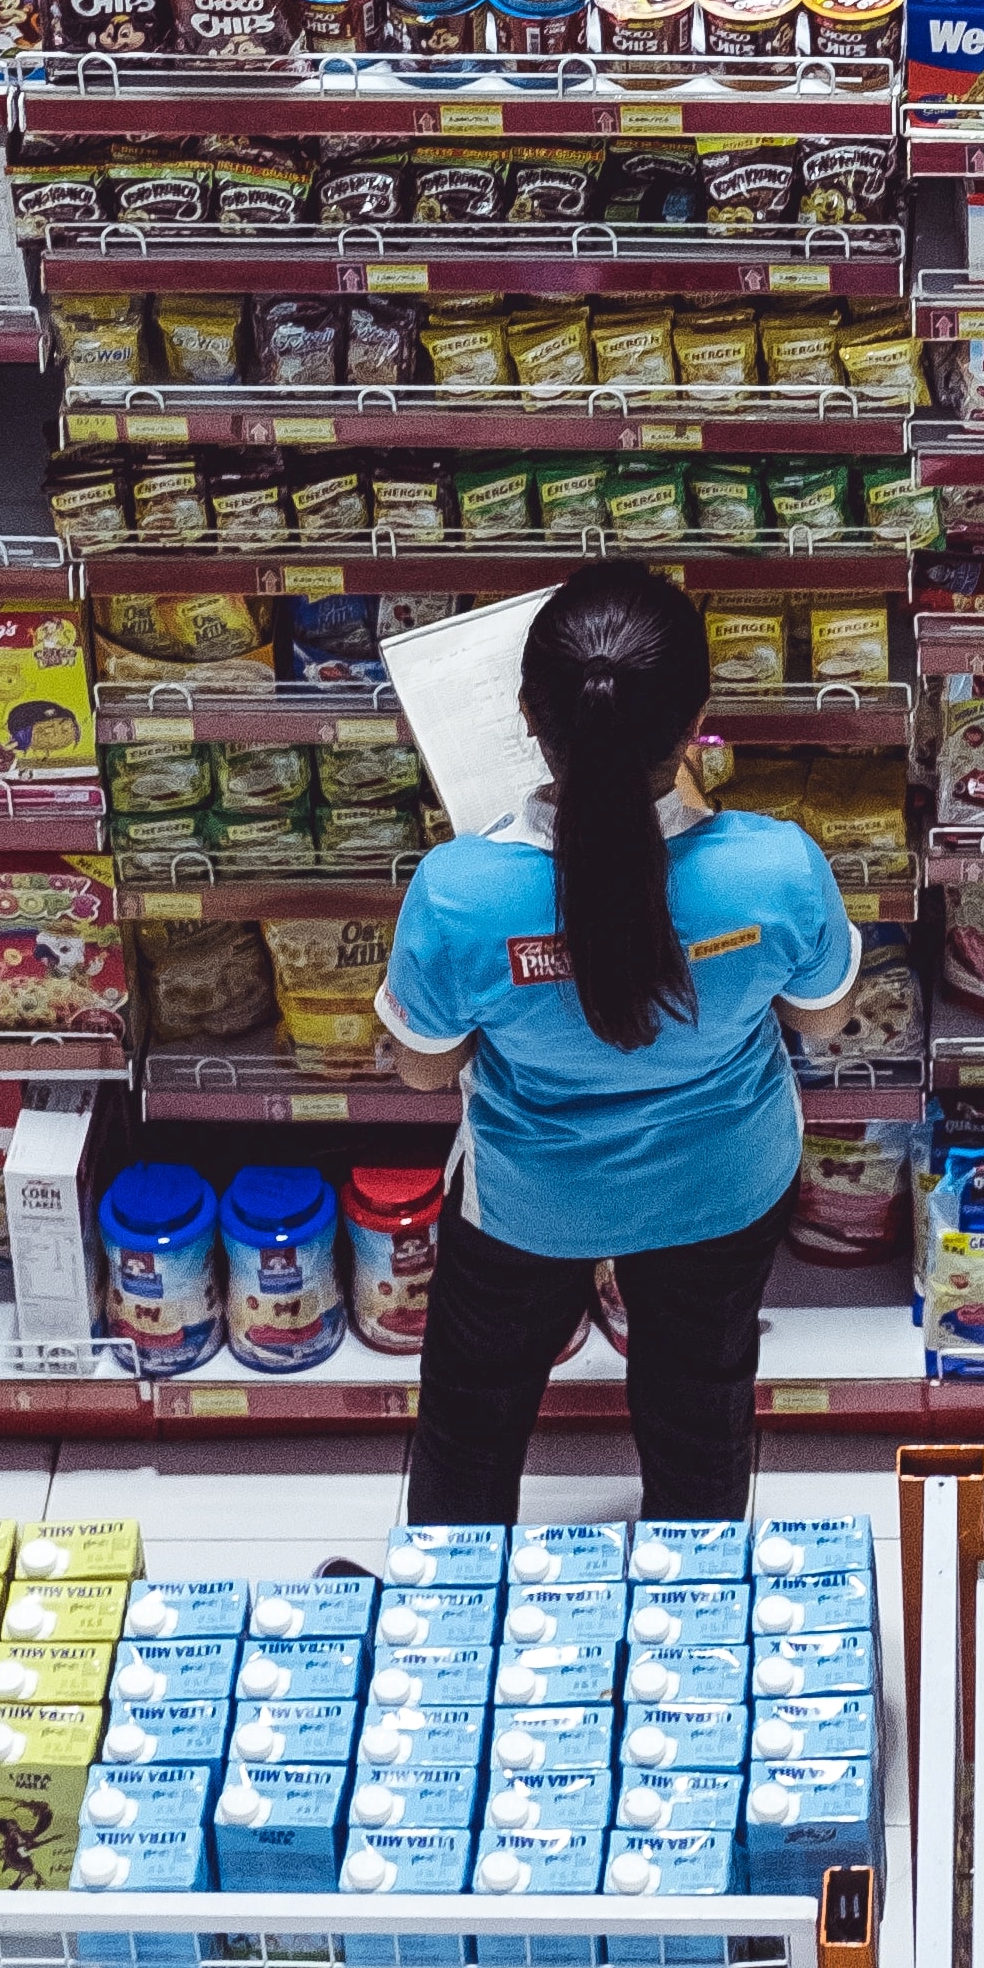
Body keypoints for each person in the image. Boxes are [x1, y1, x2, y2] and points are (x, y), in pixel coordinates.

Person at [375, 559, 857, 1525]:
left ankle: (454, 1625)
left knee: (475, 1410)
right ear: (697, 721)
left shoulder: (461, 889)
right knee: (700, 1401)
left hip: (529, 1200)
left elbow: (425, 1069)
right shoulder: (776, 867)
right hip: (721, 1185)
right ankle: (700, 1612)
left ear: (525, 713)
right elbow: (822, 1019)